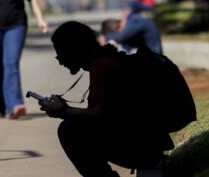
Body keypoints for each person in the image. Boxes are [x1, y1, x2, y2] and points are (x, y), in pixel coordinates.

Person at [39, 21, 174, 177]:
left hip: (143, 147)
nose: (61, 62)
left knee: (69, 130)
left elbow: (94, 115)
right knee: (73, 126)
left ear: (74, 50)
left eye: (60, 55)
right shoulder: (106, 59)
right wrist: (65, 109)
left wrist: (63, 110)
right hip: (147, 143)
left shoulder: (101, 66)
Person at [98, 13, 163, 55]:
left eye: (119, 30)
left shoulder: (134, 20)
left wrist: (106, 37)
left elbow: (122, 37)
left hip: (155, 58)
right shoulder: (134, 21)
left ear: (119, 25)